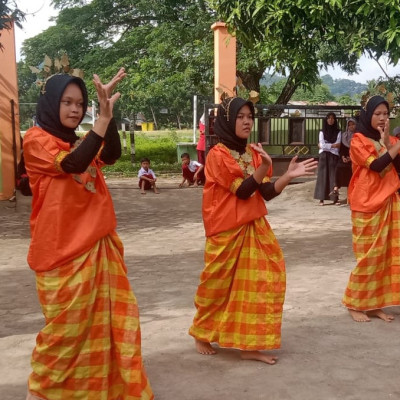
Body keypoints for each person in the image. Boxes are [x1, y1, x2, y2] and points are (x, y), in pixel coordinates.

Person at [23, 69, 153, 400]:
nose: (75, 109)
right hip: (60, 251)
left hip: (97, 245)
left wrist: (106, 111)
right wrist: (99, 125)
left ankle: (102, 388)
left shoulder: (82, 140)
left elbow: (109, 155)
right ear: (51, 104)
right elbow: (73, 165)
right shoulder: (36, 140)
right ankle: (40, 392)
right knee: (65, 332)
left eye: (81, 104)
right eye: (67, 102)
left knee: (118, 320)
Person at [188, 97, 318, 364]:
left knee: (263, 280)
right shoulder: (218, 155)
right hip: (225, 230)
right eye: (240, 116)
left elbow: (266, 193)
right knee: (217, 286)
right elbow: (244, 191)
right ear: (226, 121)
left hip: (253, 225)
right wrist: (262, 167)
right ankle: (202, 332)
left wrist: (288, 176)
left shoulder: (254, 153)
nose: (247, 121)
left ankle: (249, 344)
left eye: (250, 116)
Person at [342, 95, 400, 323]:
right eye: (378, 114)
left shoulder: (391, 140)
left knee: (383, 258)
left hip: (388, 202)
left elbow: (395, 164)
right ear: (367, 115)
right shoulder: (358, 140)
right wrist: (392, 146)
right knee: (367, 258)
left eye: (386, 114)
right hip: (366, 205)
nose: (383, 118)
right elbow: (376, 166)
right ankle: (354, 302)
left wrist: (388, 143)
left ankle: (374, 304)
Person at [314, 112, 341, 205]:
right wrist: (331, 145)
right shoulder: (322, 132)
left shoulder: (338, 131)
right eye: (329, 118)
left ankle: (335, 198)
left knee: (334, 177)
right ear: (326, 120)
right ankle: (321, 198)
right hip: (324, 156)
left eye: (333, 118)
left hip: (334, 156)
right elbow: (321, 145)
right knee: (322, 176)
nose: (331, 120)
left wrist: (326, 145)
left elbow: (338, 145)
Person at [330, 117, 357, 205]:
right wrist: (343, 157)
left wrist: (351, 158)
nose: (351, 127)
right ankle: (336, 188)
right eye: (349, 125)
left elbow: (358, 149)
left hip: (355, 159)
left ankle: (351, 197)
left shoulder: (358, 136)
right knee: (338, 168)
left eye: (353, 124)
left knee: (351, 173)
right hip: (345, 158)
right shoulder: (344, 135)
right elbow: (342, 149)